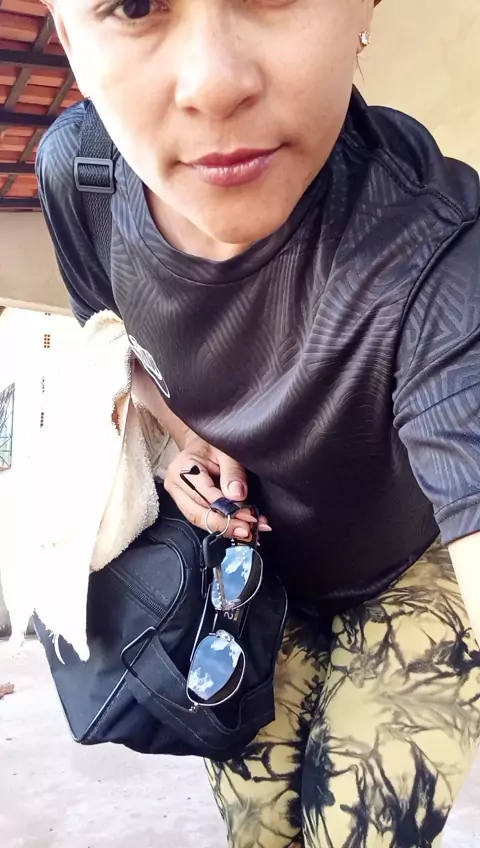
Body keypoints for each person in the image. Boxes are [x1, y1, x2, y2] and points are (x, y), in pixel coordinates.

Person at [37, 0, 480, 845]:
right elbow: (109, 343)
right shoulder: (80, 176)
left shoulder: (434, 242)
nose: (214, 84)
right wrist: (171, 442)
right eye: (135, 4)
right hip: (246, 576)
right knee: (261, 827)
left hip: (408, 570)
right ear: (70, 39)